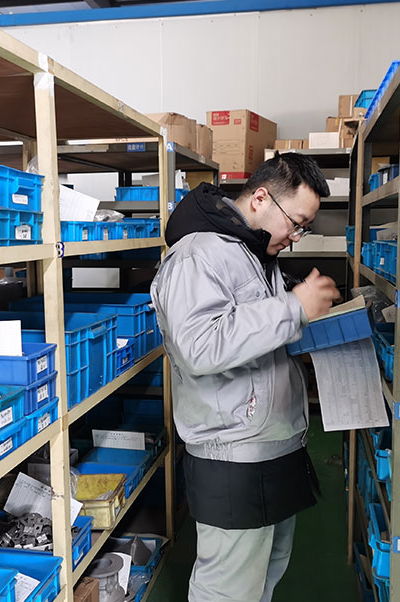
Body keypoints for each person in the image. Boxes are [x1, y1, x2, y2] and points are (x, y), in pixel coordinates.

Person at [150, 152, 342, 602]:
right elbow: (199, 346)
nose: (295, 238)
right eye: (296, 223)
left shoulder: (253, 251)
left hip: (274, 445)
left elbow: (252, 339)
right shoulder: (197, 255)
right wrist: (293, 308)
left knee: (265, 574)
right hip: (232, 456)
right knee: (228, 590)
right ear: (260, 198)